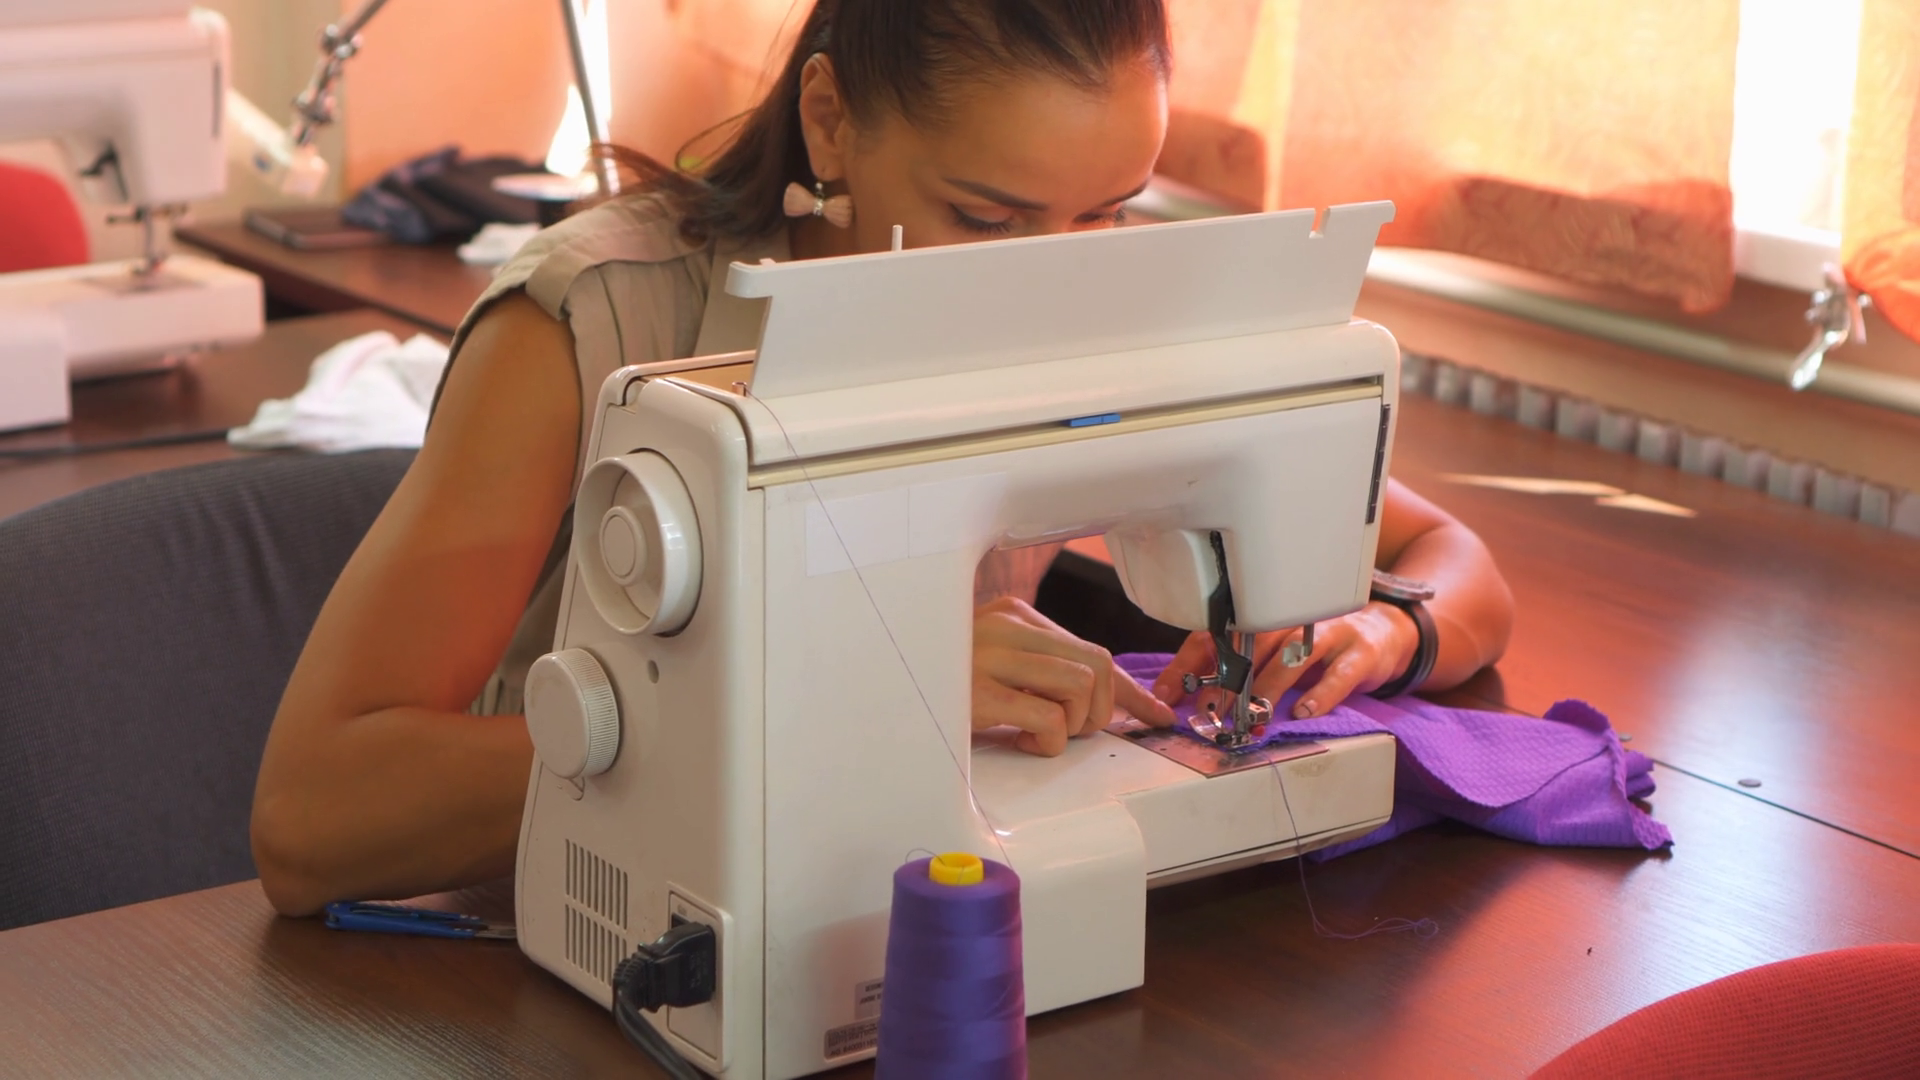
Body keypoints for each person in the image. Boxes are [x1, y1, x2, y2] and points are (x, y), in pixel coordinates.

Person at [251, 0, 1514, 917]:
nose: (1054, 279)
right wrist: (845, 694)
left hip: (899, 909)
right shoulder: (593, 326)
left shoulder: (1089, 303)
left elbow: (1447, 558)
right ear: (831, 122)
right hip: (581, 953)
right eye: (987, 217)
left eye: (1108, 210)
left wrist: (1389, 628)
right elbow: (313, 819)